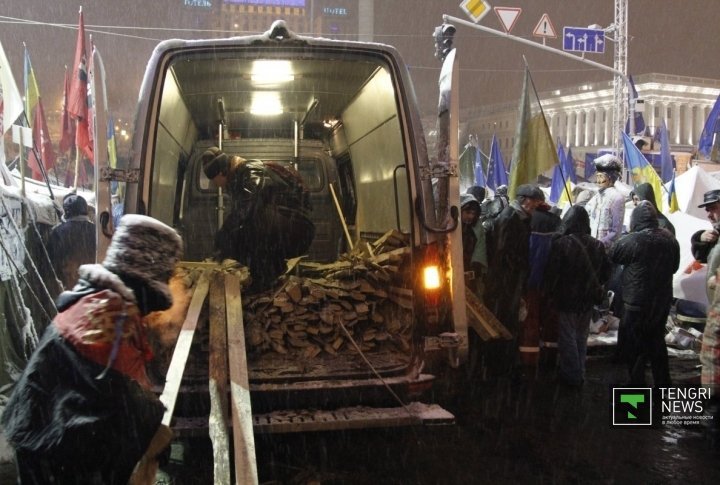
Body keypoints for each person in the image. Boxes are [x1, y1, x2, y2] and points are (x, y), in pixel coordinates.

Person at [2, 214, 183, 484]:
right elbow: (118, 395)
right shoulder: (109, 314)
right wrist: (153, 430)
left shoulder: (95, 298)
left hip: (44, 434)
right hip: (54, 450)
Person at [201, 146, 315, 292]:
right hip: (288, 226)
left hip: (297, 228)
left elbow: (249, 203)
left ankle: (265, 279)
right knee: (241, 234)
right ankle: (267, 276)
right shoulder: (239, 177)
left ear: (222, 171)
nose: (218, 186)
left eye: (216, 181)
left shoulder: (250, 170)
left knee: (246, 228)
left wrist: (225, 234)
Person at [609, 201, 679, 387]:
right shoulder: (670, 239)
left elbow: (614, 255)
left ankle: (637, 384)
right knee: (657, 341)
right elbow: (674, 267)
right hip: (661, 301)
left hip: (636, 302)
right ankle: (663, 384)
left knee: (635, 344)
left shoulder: (632, 240)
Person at [544, 205, 611, 386]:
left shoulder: (561, 244)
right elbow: (606, 273)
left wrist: (550, 293)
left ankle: (572, 375)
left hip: (566, 298)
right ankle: (580, 370)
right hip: (588, 299)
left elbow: (552, 273)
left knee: (568, 337)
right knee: (581, 337)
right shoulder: (597, 244)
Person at [482, 183, 545, 377]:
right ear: (524, 200)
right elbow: (502, 251)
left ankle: (506, 361)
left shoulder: (522, 218)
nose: (535, 206)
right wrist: (514, 273)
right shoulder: (509, 218)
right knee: (503, 321)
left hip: (512, 281)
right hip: (505, 282)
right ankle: (499, 364)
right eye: (534, 202)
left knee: (511, 321)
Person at [521, 198, 562, 368]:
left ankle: (528, 363)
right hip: (552, 284)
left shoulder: (529, 221)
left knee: (531, 321)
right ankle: (550, 360)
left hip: (531, 283)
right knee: (551, 322)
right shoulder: (557, 222)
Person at [47, 193, 96, 290]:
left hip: (69, 285)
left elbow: (50, 263)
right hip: (93, 283)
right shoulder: (96, 231)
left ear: (67, 211)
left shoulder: (58, 232)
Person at [584, 154, 626, 249]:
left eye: (601, 177)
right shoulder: (595, 197)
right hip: (592, 247)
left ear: (610, 178)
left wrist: (600, 244)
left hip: (605, 251)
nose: (598, 181)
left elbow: (616, 232)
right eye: (597, 176)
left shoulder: (617, 198)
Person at [691, 189, 720, 302]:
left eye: (713, 208)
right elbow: (700, 257)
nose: (709, 215)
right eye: (707, 210)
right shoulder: (716, 234)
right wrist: (700, 238)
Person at [460, 193, 486, 298]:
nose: (471, 216)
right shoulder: (450, 226)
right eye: (467, 212)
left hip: (471, 270)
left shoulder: (477, 228)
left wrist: (477, 265)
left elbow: (480, 247)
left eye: (473, 213)